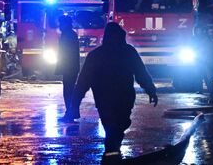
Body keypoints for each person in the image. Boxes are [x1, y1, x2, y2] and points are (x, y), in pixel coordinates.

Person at [67, 22, 158, 160]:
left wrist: (75, 104)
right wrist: (151, 90)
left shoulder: (96, 56)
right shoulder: (128, 52)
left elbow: (82, 83)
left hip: (104, 101)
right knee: (119, 126)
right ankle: (112, 154)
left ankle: (111, 154)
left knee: (111, 127)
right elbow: (141, 74)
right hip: (125, 99)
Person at [54, 15, 80, 121]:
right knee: (70, 90)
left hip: (69, 67)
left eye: (61, 23)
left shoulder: (67, 35)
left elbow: (66, 53)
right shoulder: (70, 34)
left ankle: (70, 113)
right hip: (71, 66)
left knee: (68, 91)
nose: (59, 25)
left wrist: (62, 66)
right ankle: (72, 113)